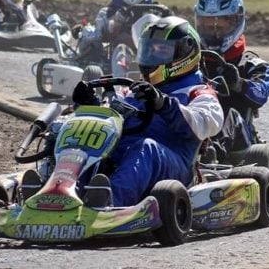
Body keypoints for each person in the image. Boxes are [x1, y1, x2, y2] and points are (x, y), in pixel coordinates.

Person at [68, 16, 223, 207]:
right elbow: (110, 115)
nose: (152, 58)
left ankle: (109, 202)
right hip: (126, 158)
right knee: (88, 142)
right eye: (149, 51)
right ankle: (60, 195)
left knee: (146, 148)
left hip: (174, 166)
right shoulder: (134, 91)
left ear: (184, 54)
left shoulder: (199, 93)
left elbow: (201, 124)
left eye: (161, 51)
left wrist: (164, 104)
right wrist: (89, 104)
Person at [194, 0, 269, 153]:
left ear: (237, 22)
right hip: (196, 129)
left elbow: (262, 94)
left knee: (230, 114)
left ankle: (212, 152)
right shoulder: (192, 62)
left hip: (237, 143)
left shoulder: (252, 64)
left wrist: (239, 84)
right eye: (208, 27)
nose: (214, 34)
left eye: (220, 27)